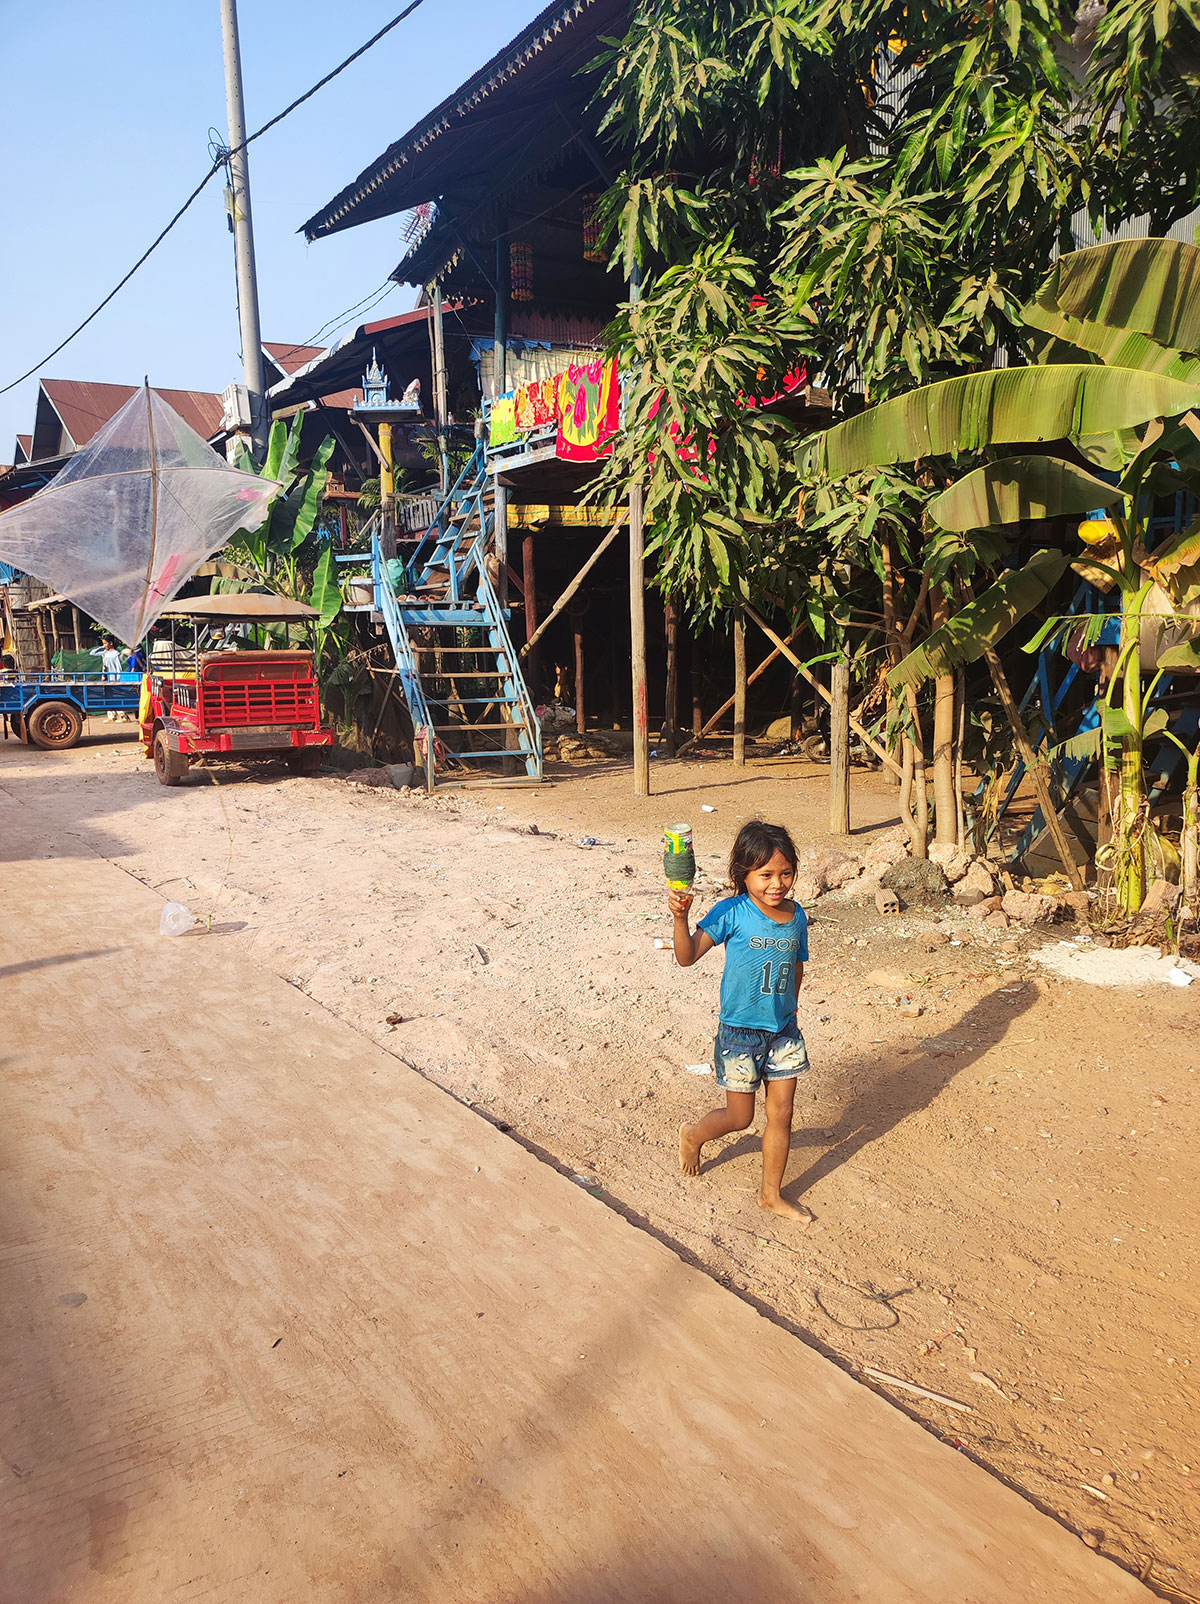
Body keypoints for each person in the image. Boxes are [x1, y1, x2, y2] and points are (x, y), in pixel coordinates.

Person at [671, 820, 812, 1222]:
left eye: (786, 873)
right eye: (765, 875)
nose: (777, 884)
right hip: (740, 1035)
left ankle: (771, 1194)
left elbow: (796, 964)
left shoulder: (797, 916)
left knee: (782, 1113)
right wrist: (681, 918)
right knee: (740, 1117)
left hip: (783, 1031)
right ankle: (693, 1135)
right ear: (743, 874)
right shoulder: (731, 912)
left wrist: (792, 1006)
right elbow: (686, 957)